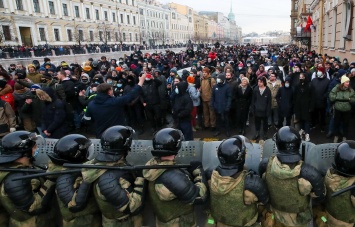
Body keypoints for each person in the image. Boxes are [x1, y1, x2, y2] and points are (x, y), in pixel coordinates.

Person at [260, 126, 326, 227]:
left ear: (277, 144)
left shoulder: (266, 165)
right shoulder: (309, 173)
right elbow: (320, 195)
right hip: (298, 220)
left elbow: (262, 182)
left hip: (276, 214)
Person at [81, 125, 146, 226]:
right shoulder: (108, 179)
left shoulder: (104, 164)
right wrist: (140, 180)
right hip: (121, 222)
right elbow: (132, 208)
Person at [143, 128, 207, 226]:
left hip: (163, 221)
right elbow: (199, 197)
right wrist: (198, 172)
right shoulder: (173, 177)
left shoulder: (151, 167)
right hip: (180, 222)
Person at [208, 136, 269, 226]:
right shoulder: (251, 184)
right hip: (245, 223)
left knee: (209, 219)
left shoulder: (211, 177)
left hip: (219, 222)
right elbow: (264, 202)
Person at [0, 131, 57, 226]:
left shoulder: (22, 166)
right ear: (25, 152)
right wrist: (50, 181)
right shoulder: (15, 179)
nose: (37, 149)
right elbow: (33, 207)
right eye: (34, 147)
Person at [46, 134, 101, 227]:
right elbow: (75, 206)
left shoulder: (65, 169)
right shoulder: (65, 177)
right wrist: (87, 180)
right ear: (77, 155)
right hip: (79, 222)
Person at [83, 73, 146, 138]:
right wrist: (141, 81)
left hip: (101, 135)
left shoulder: (91, 104)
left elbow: (86, 120)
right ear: (109, 92)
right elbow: (131, 95)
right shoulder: (115, 102)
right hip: (117, 134)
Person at [323, 141, 355, 227]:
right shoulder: (353, 187)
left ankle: (323, 222)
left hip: (328, 215)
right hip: (345, 223)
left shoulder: (328, 174)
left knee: (323, 220)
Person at [329, 75, 355, 142]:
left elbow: (354, 99)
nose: (348, 83)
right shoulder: (336, 88)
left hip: (347, 110)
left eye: (348, 82)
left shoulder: (351, 90)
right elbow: (331, 96)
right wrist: (346, 98)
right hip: (338, 109)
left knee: (346, 124)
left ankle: (344, 136)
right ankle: (336, 136)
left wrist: (350, 99)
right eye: (346, 82)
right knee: (336, 123)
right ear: (343, 82)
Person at [251, 76, 271, 140]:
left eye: (261, 82)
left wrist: (268, 111)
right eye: (258, 81)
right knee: (257, 123)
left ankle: (265, 134)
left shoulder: (267, 90)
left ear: (264, 82)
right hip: (257, 110)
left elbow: (269, 102)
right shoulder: (255, 89)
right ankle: (257, 133)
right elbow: (253, 100)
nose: (259, 83)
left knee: (265, 123)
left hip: (264, 111)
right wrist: (253, 109)